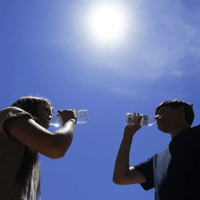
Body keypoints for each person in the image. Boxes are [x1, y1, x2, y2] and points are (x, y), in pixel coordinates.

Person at [113, 99, 200, 200]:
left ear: (180, 110)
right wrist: (128, 135)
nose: (156, 117)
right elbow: (121, 177)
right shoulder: (157, 160)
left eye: (162, 112)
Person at [0, 96, 77, 200]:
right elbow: (56, 147)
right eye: (46, 113)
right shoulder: (11, 113)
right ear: (29, 108)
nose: (49, 121)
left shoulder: (29, 157)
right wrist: (70, 120)